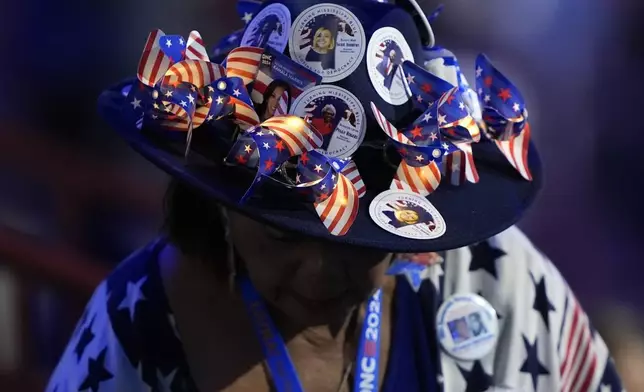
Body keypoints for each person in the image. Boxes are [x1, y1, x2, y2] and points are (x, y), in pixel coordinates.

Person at [46, 0, 624, 391]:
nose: (320, 273)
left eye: (361, 241)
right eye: (281, 232)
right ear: (224, 202)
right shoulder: (137, 321)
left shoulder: (496, 283)